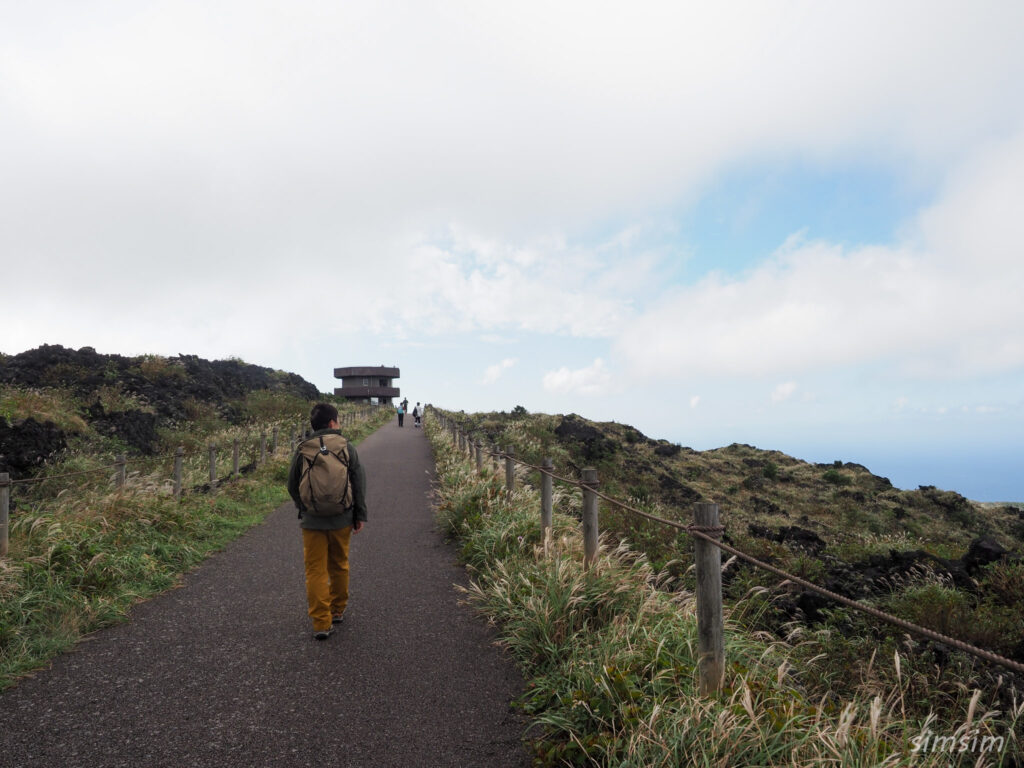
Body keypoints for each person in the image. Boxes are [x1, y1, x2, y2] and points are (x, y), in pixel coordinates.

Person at [287, 402, 367, 640]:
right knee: (339, 564)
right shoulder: (346, 447)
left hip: (312, 522)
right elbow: (359, 481)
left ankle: (322, 623)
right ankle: (338, 609)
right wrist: (359, 514)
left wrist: (305, 508)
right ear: (333, 423)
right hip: (342, 517)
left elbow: (292, 485)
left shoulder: (303, 448)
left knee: (315, 571)